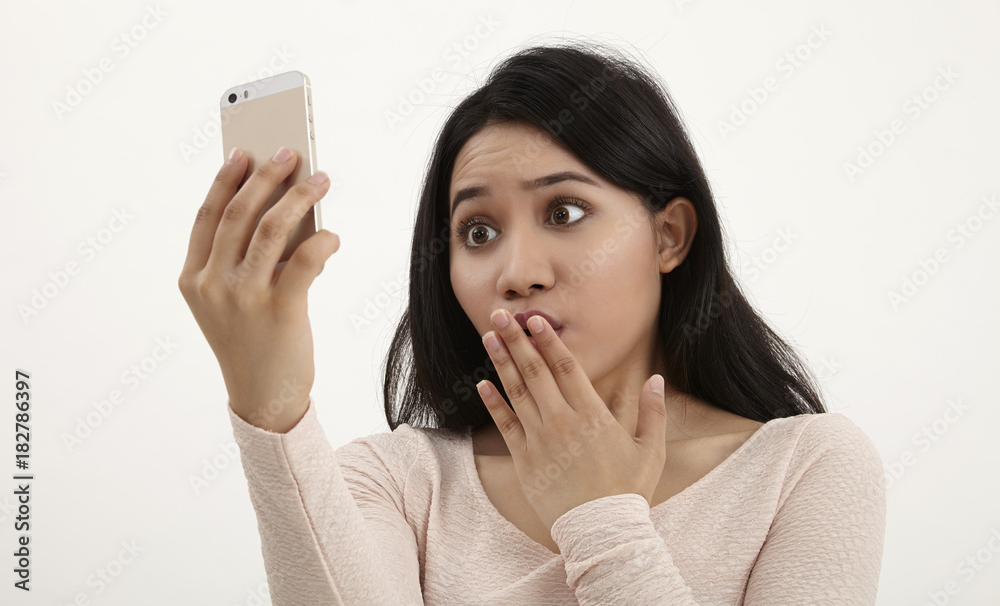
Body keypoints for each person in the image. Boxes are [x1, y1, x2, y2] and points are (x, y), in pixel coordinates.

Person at [178, 41, 886, 604]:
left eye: (564, 211)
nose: (517, 271)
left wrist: (602, 519)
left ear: (668, 235)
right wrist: (269, 407)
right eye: (479, 231)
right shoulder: (400, 483)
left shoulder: (804, 468)